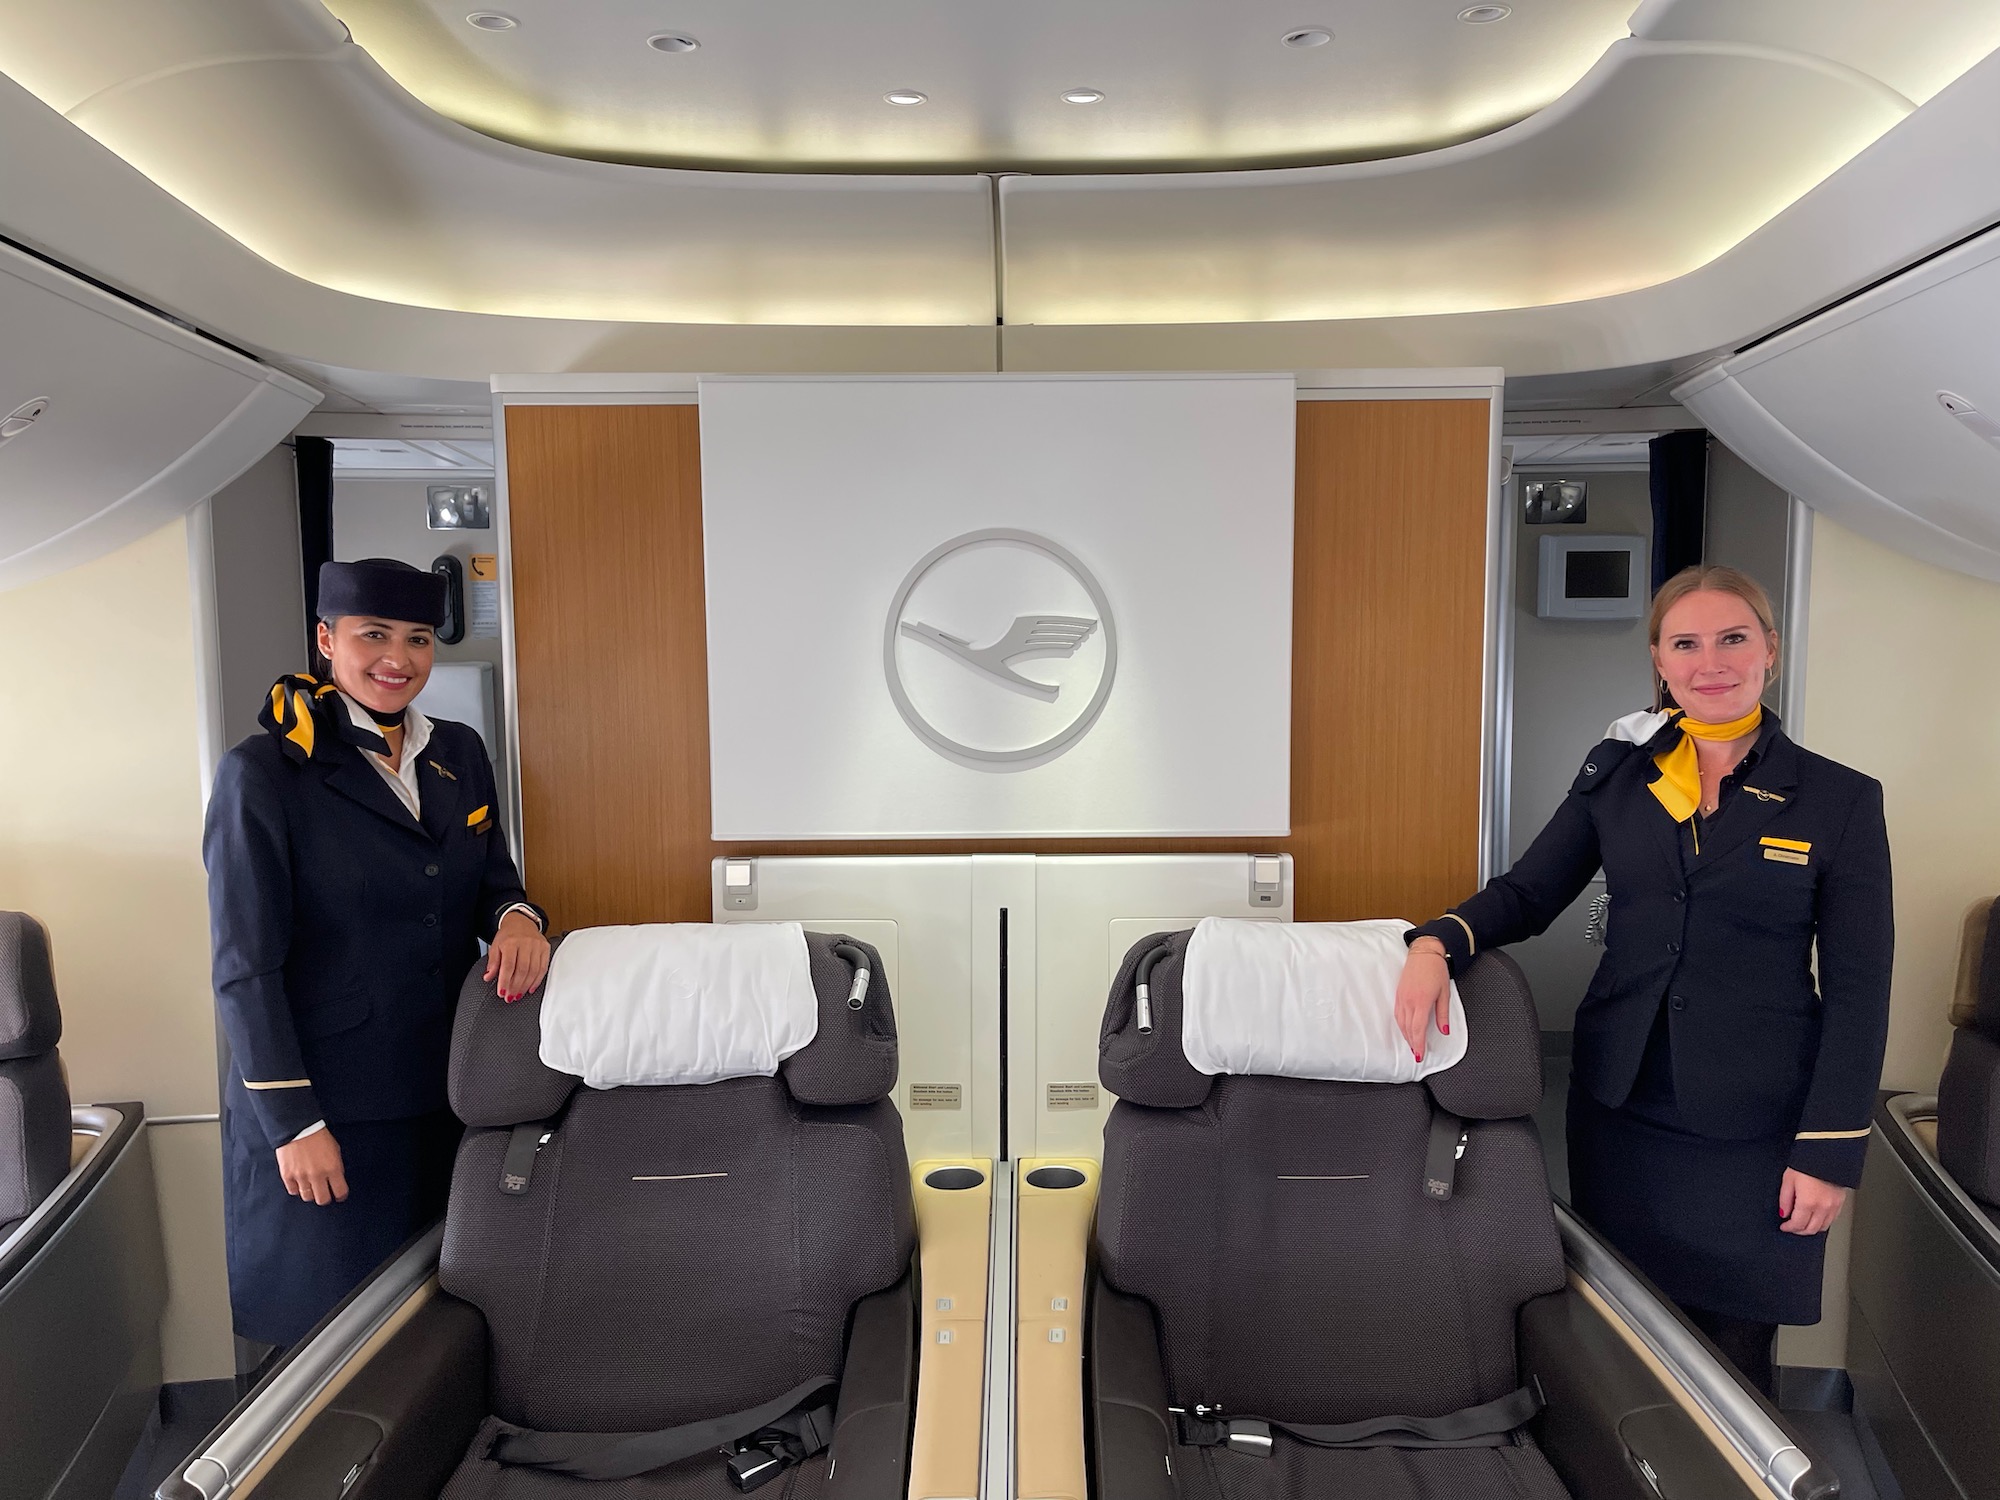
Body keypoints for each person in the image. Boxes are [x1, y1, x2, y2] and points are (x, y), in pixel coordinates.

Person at [1395, 564, 1892, 1395]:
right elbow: (1529, 892)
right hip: (1624, 1105)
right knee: (1621, 1330)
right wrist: (1436, 942)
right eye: (1685, 643)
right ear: (1660, 662)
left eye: (1733, 638)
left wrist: (1830, 1149)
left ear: (1770, 649)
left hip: (1757, 1123)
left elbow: (1859, 988)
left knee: (1732, 1350)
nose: (1712, 662)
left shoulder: (1837, 800)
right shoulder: (1621, 775)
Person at [204, 558, 551, 1349]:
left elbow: (493, 880)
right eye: (373, 635)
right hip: (329, 1110)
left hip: (442, 1093)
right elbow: (244, 966)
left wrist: (520, 921)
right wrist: (294, 1123)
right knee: (326, 1336)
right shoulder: (264, 775)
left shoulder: (456, 753)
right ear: (326, 640)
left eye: (418, 639)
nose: (398, 657)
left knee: (429, 1322)